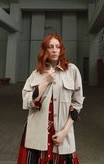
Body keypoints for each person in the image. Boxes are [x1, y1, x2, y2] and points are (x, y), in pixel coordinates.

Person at [17, 33, 84, 164]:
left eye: (57, 46)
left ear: (61, 49)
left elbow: (77, 103)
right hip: (36, 134)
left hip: (61, 134)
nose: (54, 50)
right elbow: (27, 101)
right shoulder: (36, 74)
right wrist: (45, 81)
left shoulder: (72, 70)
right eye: (50, 46)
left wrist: (65, 132)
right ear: (45, 50)